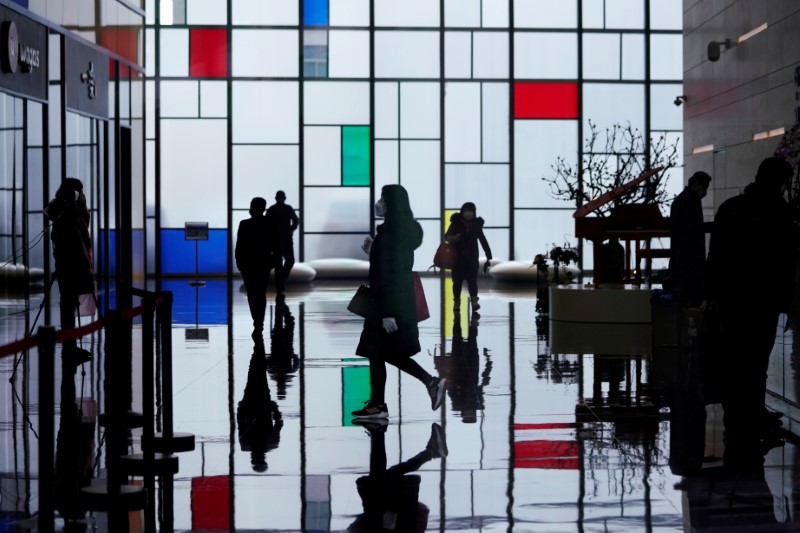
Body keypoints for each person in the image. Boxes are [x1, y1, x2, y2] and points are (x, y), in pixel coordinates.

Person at [705, 157, 796, 448]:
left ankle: (740, 416)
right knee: (757, 359)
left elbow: (715, 257)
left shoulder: (730, 208)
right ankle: (752, 416)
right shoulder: (778, 211)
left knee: (735, 357)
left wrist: (711, 294)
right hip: (763, 298)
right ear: (780, 182)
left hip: (732, 298)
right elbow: (785, 259)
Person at [351, 185, 446, 419]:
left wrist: (387, 312)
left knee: (381, 352)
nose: (379, 202)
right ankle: (379, 403)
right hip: (395, 300)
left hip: (387, 302)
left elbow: (390, 272)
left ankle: (426, 384)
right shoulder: (401, 231)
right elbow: (391, 264)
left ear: (391, 203)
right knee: (381, 352)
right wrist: (373, 250)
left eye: (383, 198)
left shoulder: (392, 232)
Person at [348, 421, 447, 533]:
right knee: (379, 479)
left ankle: (431, 451)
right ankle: (431, 451)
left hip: (388, 515)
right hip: (395, 518)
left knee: (380, 478)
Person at [45, 178, 94, 366]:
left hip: (77, 265)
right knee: (67, 306)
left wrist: (78, 206)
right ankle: (69, 348)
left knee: (69, 305)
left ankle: (70, 346)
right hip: (67, 266)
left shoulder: (77, 212)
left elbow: (84, 227)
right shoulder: (59, 211)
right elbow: (57, 235)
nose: (79, 195)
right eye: (77, 192)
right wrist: (68, 208)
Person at [667, 171, 712, 306]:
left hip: (680, 262)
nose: (705, 191)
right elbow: (693, 233)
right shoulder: (691, 201)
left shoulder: (681, 200)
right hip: (690, 264)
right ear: (698, 185)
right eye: (705, 186)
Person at [237, 343, 283, 472]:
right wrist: (240, 409)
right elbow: (240, 424)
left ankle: (258, 353)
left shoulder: (271, 443)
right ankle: (256, 353)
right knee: (253, 378)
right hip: (251, 405)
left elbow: (279, 423)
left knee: (258, 377)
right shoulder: (246, 445)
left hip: (262, 405)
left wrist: (274, 408)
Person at [235, 197, 273, 342]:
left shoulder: (244, 224)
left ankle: (257, 321)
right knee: (260, 293)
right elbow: (275, 245)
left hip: (248, 264)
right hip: (262, 264)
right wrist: (273, 262)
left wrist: (239, 262)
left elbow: (239, 246)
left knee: (252, 293)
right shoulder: (269, 224)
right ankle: (259, 322)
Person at [444, 202, 492, 311]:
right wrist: (456, 237)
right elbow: (447, 236)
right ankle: (457, 302)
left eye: (471, 211)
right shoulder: (456, 222)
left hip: (472, 256)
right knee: (457, 281)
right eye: (466, 211)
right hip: (457, 257)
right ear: (462, 212)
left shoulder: (476, 225)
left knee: (472, 280)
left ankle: (474, 302)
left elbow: (483, 240)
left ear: (474, 212)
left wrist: (488, 255)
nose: (468, 213)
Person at [267, 190, 299, 299]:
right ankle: (280, 282)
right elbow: (295, 220)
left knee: (279, 262)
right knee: (286, 261)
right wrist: (291, 229)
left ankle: (279, 283)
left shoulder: (272, 209)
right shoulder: (287, 208)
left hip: (277, 239)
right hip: (283, 239)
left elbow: (266, 224)